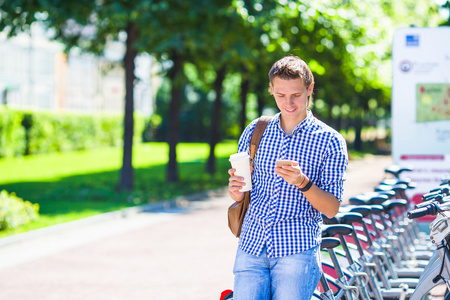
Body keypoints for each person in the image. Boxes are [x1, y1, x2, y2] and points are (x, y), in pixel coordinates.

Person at [227, 55, 348, 300]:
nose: (289, 103)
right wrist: (236, 191)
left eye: (296, 95)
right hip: (251, 244)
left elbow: (332, 208)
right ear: (271, 89)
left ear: (310, 89)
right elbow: (242, 192)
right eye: (280, 95)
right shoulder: (255, 130)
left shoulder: (330, 141)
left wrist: (303, 182)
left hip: (296, 251)